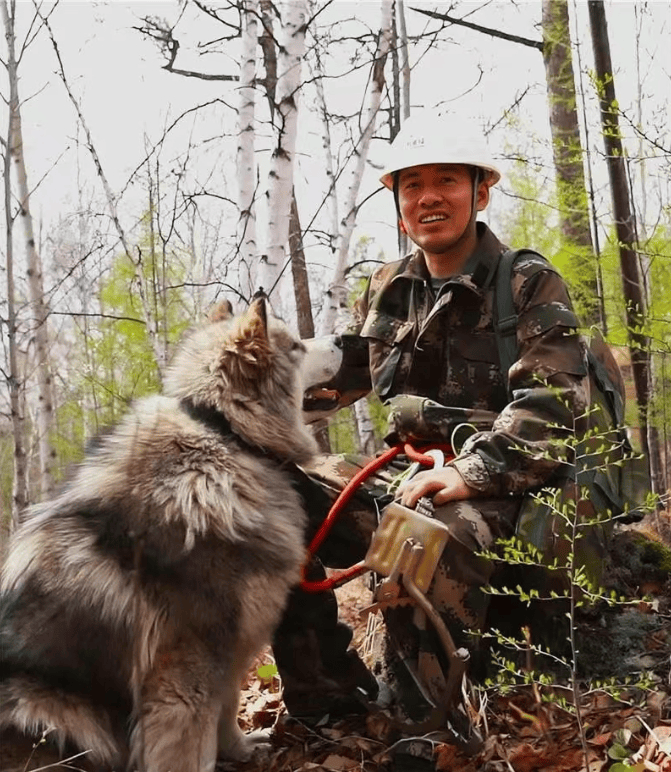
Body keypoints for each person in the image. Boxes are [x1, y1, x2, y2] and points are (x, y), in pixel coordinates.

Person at [272, 112, 615, 767]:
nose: (428, 196)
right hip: (412, 470)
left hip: (509, 482)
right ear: (398, 203)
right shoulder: (386, 286)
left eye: (446, 182)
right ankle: (326, 696)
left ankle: (425, 730)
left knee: (424, 527)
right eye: (412, 185)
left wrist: (472, 471)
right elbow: (342, 380)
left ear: (479, 192)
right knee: (268, 495)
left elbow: (551, 405)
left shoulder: (526, 280)